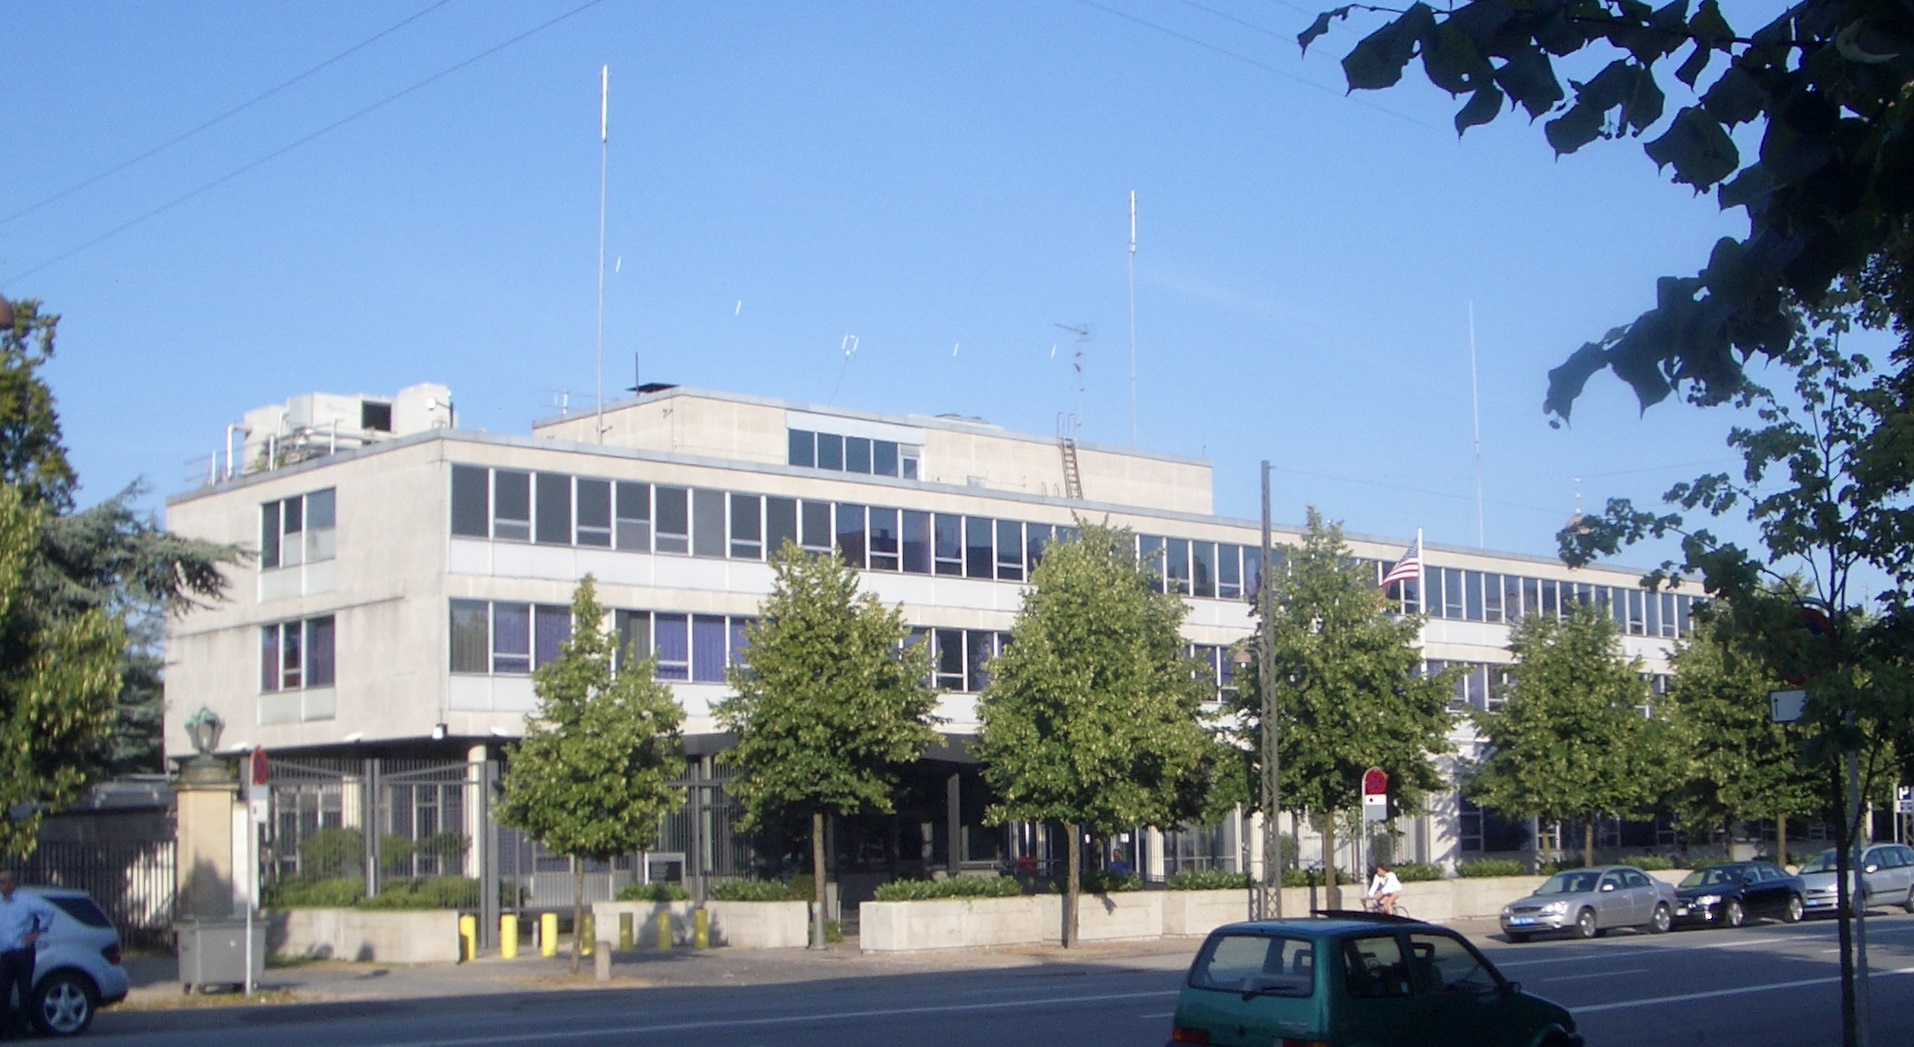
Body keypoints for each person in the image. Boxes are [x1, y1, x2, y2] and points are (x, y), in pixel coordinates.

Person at [0, 870, 54, 1040]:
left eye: (7, 881)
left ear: (14, 883)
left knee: (24, 991)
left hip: (23, 953)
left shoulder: (26, 900)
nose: (4, 885)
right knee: (3, 993)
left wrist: (37, 932)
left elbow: (48, 912)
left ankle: (22, 1029)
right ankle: (6, 1030)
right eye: (1, 882)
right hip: (4, 954)